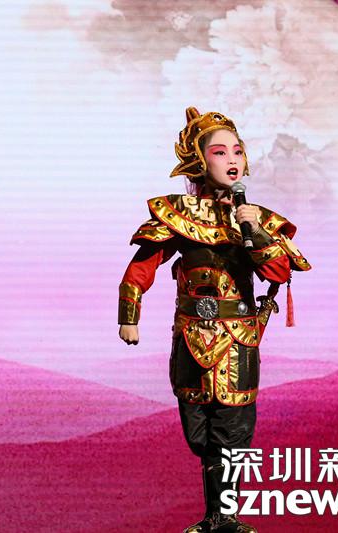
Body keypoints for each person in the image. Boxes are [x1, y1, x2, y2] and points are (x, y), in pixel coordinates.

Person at [117, 107, 311, 533]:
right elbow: (140, 268)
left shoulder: (257, 218)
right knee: (198, 433)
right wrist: (129, 316)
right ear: (200, 161)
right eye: (220, 152)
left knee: (234, 431)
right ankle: (214, 515)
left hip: (238, 339)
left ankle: (224, 518)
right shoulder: (178, 213)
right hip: (190, 337)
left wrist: (256, 232)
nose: (232, 159)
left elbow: (279, 272)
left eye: (237, 151)